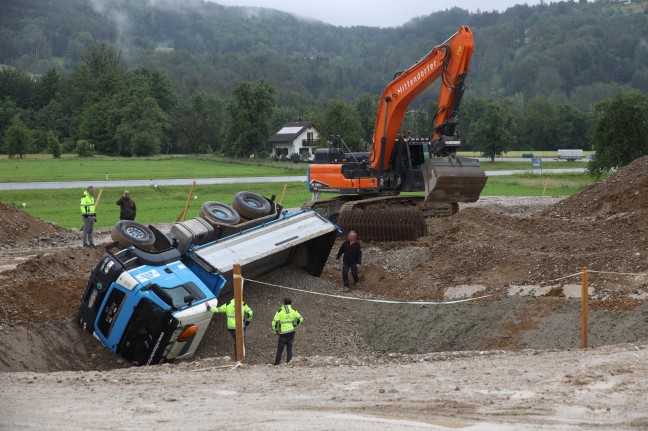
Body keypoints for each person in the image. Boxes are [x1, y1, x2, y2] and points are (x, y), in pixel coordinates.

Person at [272, 297, 303, 366]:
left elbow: (273, 323)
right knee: (289, 349)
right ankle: (289, 363)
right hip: (291, 332)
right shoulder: (293, 311)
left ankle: (276, 364)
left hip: (283, 333)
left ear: (284, 302)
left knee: (280, 350)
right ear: (291, 303)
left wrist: (275, 331)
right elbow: (301, 319)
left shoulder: (280, 311)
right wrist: (295, 325)